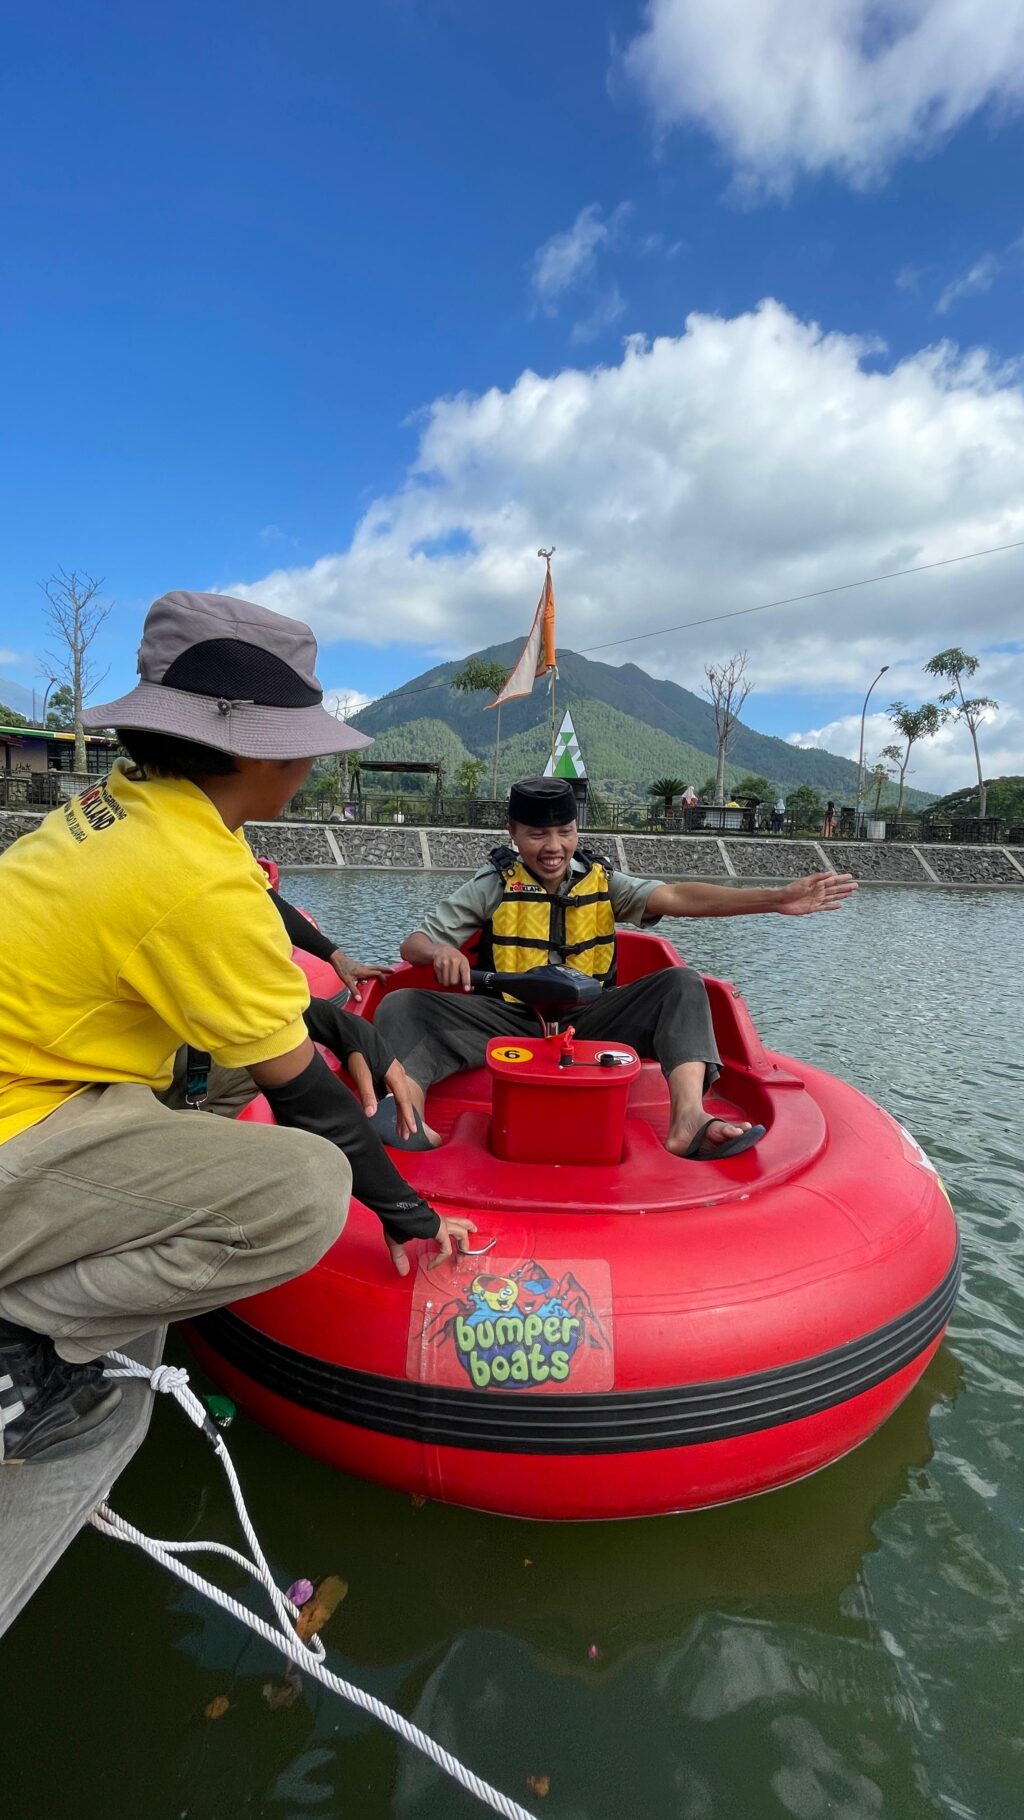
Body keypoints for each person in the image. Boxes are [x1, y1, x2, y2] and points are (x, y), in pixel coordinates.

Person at [0, 590, 472, 1465]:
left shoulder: (127, 801)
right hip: (20, 1130)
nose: (309, 770)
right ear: (255, 755)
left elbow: (241, 999)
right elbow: (314, 1109)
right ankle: (18, 1327)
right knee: (305, 1193)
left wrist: (343, 1030)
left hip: (41, 1077)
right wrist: (408, 1213)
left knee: (227, 1071)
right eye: (301, 749)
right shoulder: (198, 880)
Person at [374, 776, 856, 1164]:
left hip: (593, 1021)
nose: (553, 847)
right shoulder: (492, 883)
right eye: (537, 834)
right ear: (514, 834)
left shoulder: (605, 881)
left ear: (576, 833)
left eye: (564, 832)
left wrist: (774, 899)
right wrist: (440, 953)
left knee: (682, 985)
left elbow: (679, 897)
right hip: (510, 1023)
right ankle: (407, 1114)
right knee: (404, 1004)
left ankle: (689, 1119)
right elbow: (413, 942)